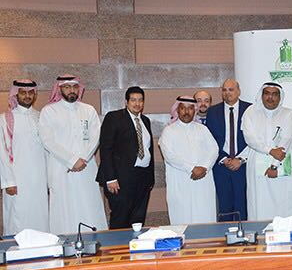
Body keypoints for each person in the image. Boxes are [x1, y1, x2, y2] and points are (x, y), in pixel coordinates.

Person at [38, 75, 107, 234]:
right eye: (67, 87)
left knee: (89, 204)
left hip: (86, 168)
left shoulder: (88, 110)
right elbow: (47, 140)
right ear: (60, 89)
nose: (71, 90)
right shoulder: (49, 111)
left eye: (75, 87)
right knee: (64, 209)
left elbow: (95, 136)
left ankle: (94, 239)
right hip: (61, 169)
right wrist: (71, 160)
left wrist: (83, 159)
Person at [96, 87, 155, 229]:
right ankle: (117, 243)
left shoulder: (145, 121)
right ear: (126, 102)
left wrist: (150, 179)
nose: (137, 104)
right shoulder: (114, 118)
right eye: (133, 100)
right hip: (119, 179)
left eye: (140, 100)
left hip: (142, 178)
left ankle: (135, 243)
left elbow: (148, 149)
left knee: (138, 219)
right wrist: (110, 178)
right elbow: (106, 149)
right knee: (121, 218)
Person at [241, 82, 292, 220]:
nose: (270, 97)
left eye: (274, 94)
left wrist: (274, 166)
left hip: (282, 163)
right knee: (259, 203)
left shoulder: (288, 114)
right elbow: (250, 138)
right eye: (267, 93)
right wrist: (270, 150)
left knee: (283, 202)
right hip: (256, 163)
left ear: (280, 97)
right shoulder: (250, 112)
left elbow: (286, 141)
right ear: (261, 95)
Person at [158, 96, 218, 224]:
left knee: (204, 215)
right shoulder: (169, 131)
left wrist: (205, 167)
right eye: (183, 108)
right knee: (182, 217)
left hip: (203, 181)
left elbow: (214, 150)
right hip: (180, 181)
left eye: (190, 108)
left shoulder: (203, 129)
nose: (186, 112)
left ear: (195, 110)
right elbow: (169, 155)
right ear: (177, 110)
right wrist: (191, 168)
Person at [0, 79, 49, 235]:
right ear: (16, 94)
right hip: (17, 180)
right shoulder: (4, 119)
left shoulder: (41, 117)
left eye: (30, 93)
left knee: (40, 217)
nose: (27, 96)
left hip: (39, 180)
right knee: (17, 219)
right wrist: (8, 181)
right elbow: (2, 153)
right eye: (23, 93)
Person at [206, 79, 251, 221]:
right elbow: (210, 139)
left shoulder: (250, 110)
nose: (227, 93)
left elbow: (254, 138)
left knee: (243, 205)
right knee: (224, 207)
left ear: (238, 91)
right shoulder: (213, 112)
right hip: (221, 167)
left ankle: (244, 233)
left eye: (231, 89)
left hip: (244, 166)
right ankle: (225, 233)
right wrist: (224, 158)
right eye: (224, 90)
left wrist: (240, 159)